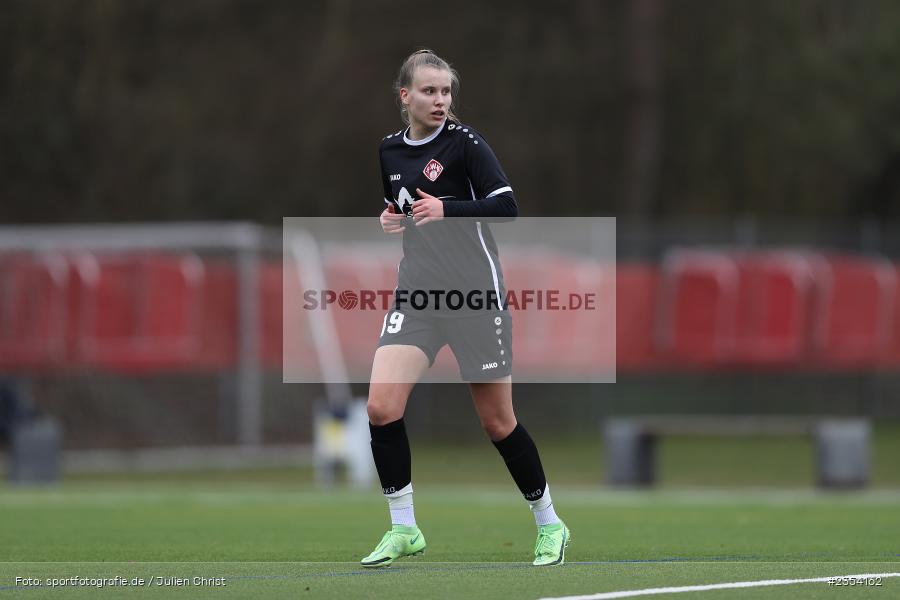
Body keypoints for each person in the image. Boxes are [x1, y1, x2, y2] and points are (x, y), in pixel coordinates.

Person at [360, 49, 569, 568]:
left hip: (477, 298)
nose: (440, 100)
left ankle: (550, 523)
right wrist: (396, 217)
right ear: (404, 96)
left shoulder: (466, 143)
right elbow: (409, 206)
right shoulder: (390, 151)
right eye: (429, 91)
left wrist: (447, 208)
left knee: (497, 423)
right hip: (418, 295)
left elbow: (506, 206)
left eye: (446, 91)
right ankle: (403, 528)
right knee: (381, 408)